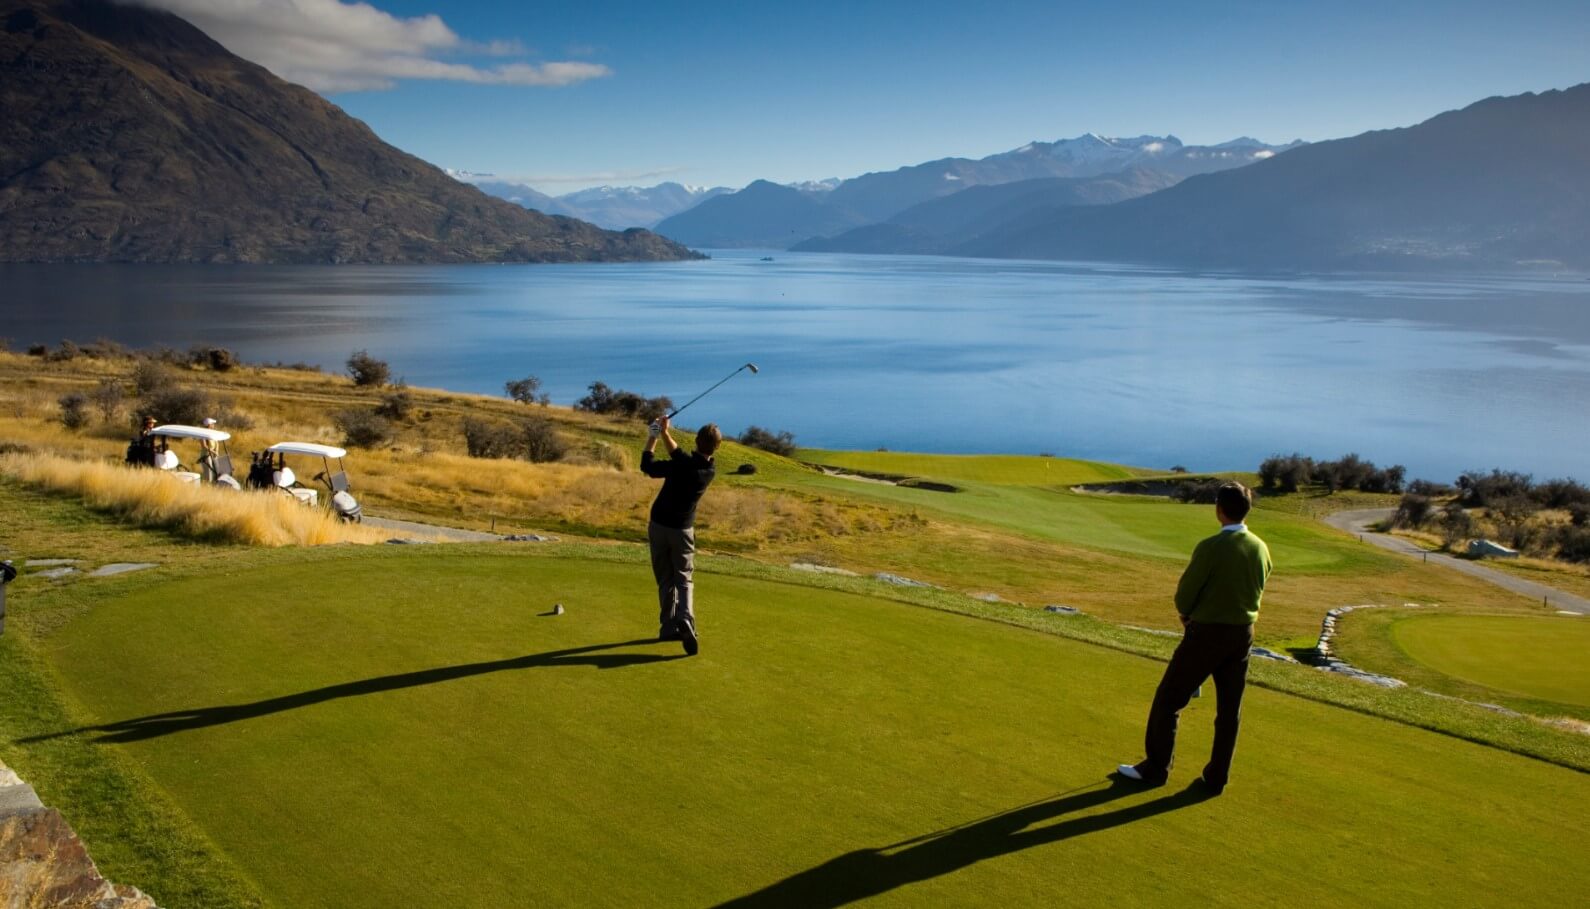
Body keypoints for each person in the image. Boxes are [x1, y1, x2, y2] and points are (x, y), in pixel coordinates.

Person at [1117, 481, 1273, 794]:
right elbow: (1259, 584)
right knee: (1229, 710)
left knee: (1168, 700)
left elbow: (1186, 594)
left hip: (1207, 633)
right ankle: (1217, 777)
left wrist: (1187, 614)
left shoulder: (1212, 547)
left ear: (1219, 510)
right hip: (1243, 634)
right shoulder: (1261, 547)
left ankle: (1156, 769)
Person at [640, 414, 720, 656]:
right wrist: (662, 433)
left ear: (696, 441)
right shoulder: (708, 470)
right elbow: (678, 457)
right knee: (683, 578)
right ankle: (685, 619)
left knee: (665, 578)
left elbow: (648, 466)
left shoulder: (683, 464)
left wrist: (655, 435)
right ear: (717, 447)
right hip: (682, 531)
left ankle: (668, 627)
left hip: (658, 526)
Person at [198, 416, 220, 482]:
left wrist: (216, 451)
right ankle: (207, 486)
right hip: (206, 456)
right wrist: (214, 452)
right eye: (212, 424)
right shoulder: (202, 434)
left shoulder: (213, 433)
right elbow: (204, 446)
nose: (214, 425)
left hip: (212, 455)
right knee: (208, 474)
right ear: (209, 425)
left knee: (214, 473)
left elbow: (217, 442)